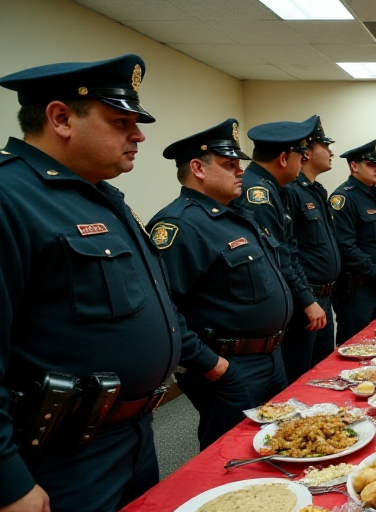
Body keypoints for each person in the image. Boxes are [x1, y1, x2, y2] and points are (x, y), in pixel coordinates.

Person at [0, 54, 221, 512]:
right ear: (60, 117)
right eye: (121, 121)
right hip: (59, 452)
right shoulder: (11, 199)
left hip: (134, 432)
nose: (138, 135)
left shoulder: (102, 197)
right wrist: (6, 480)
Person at [151, 119, 292, 450]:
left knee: (279, 445)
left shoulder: (233, 216)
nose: (240, 171)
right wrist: (210, 364)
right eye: (229, 164)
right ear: (198, 168)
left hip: (271, 357)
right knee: (231, 455)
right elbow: (164, 310)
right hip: (231, 365)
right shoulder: (180, 224)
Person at [237, 116, 326, 385]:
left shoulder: (277, 189)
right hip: (266, 314)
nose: (304, 162)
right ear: (285, 158)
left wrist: (305, 297)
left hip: (288, 300)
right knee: (293, 383)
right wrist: (307, 300)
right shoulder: (257, 193)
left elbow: (290, 250)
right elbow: (278, 258)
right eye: (301, 155)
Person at [280, 116, 341, 378]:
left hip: (324, 297)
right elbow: (288, 251)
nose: (331, 152)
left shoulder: (317, 191)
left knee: (324, 370)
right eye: (325, 146)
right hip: (306, 298)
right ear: (306, 152)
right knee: (301, 373)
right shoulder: (291, 191)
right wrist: (306, 298)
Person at [329, 140, 376, 344]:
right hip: (356, 290)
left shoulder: (374, 196)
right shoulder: (344, 198)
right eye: (371, 165)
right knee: (355, 348)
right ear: (354, 166)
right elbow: (346, 247)